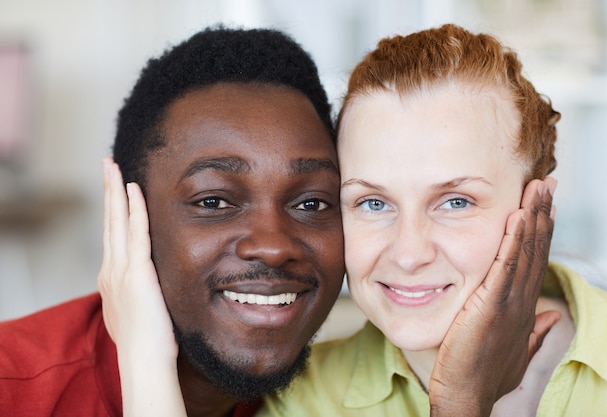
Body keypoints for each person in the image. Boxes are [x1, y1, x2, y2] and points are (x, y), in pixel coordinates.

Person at [4, 25, 553, 417]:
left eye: (312, 203)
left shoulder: (323, 394)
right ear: (126, 218)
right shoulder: (14, 390)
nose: (272, 247)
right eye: (214, 202)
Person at [258, 24, 607, 416]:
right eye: (373, 203)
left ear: (537, 208)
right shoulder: (304, 400)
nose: (409, 254)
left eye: (455, 202)